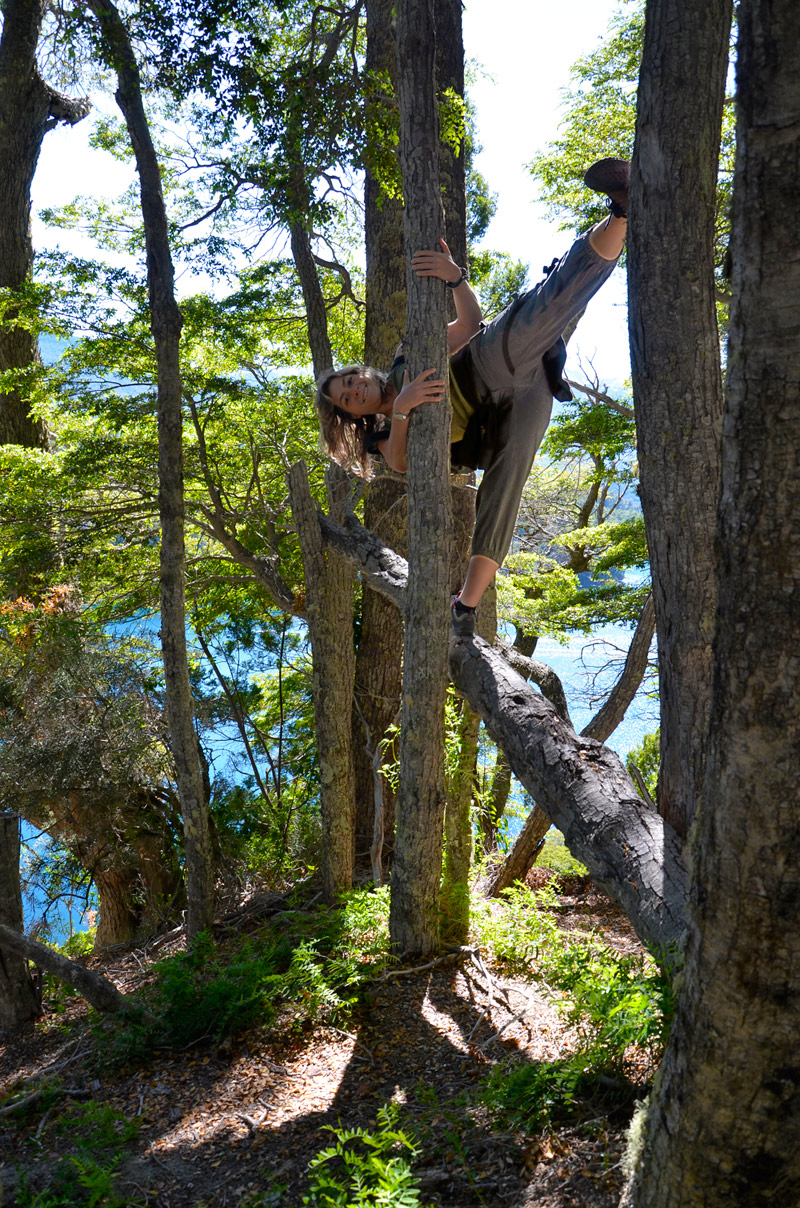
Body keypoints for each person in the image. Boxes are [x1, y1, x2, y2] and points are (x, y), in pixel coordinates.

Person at [315, 158, 630, 638]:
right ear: (353, 417)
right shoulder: (383, 438)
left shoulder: (406, 353)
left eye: (352, 380)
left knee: (552, 299)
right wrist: (401, 410)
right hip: (509, 411)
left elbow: (467, 326)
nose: (357, 390)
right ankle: (465, 608)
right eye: (349, 399)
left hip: (487, 365)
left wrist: (455, 277)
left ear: (361, 372)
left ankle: (623, 212)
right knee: (504, 486)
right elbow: (402, 462)